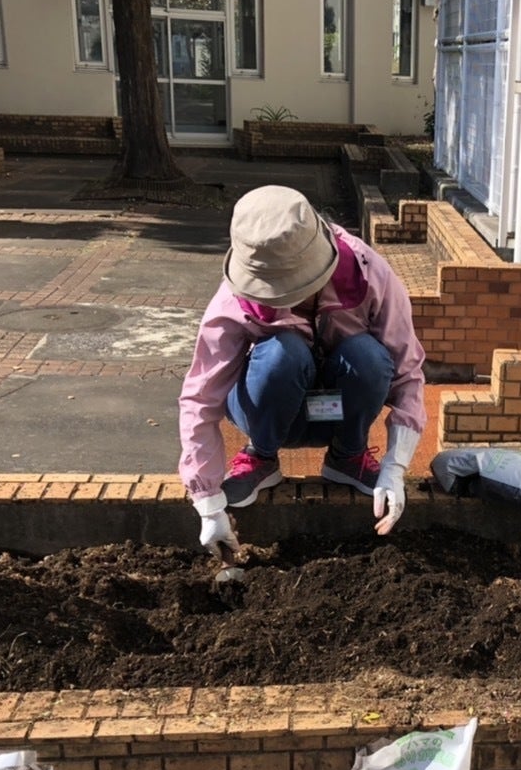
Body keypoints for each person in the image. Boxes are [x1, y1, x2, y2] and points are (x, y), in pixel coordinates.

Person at [178, 185, 426, 557]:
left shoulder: (367, 274)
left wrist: (396, 465)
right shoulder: (234, 299)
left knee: (369, 357)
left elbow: (407, 371)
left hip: (338, 415)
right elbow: (201, 396)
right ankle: (261, 457)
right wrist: (208, 503)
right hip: (272, 412)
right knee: (283, 354)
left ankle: (347, 457)